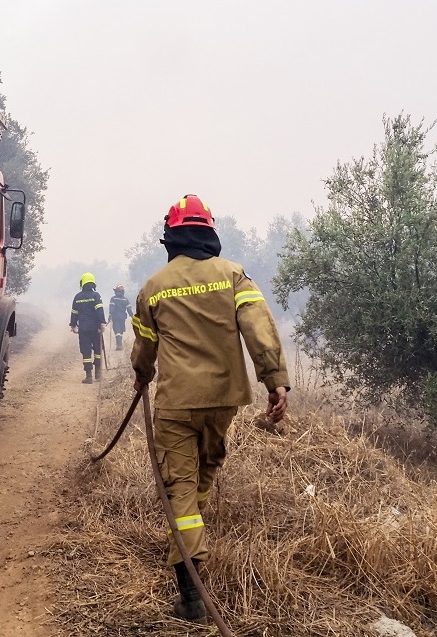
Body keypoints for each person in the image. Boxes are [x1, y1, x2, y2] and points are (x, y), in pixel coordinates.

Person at [130, 195, 289, 623]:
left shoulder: (154, 286)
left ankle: (191, 597)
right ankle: (193, 538)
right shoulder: (233, 276)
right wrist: (275, 380)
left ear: (171, 238)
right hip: (223, 402)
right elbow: (258, 328)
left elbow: (145, 347)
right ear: (209, 234)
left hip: (176, 404)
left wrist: (142, 373)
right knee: (204, 472)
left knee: (180, 490)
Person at [69, 272, 106, 383]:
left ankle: (89, 376)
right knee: (98, 350)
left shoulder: (77, 297)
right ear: (93, 283)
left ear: (82, 283)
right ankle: (98, 374)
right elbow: (100, 311)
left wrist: (73, 325)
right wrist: (102, 323)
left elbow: (74, 313)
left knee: (86, 351)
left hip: (83, 329)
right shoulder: (96, 296)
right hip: (95, 328)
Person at [108, 284, 134, 351]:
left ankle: (119, 345)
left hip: (115, 317)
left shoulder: (113, 299)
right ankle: (119, 344)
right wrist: (133, 317)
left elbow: (111, 308)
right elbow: (129, 310)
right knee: (121, 331)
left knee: (117, 331)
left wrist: (110, 316)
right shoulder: (126, 300)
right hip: (122, 318)